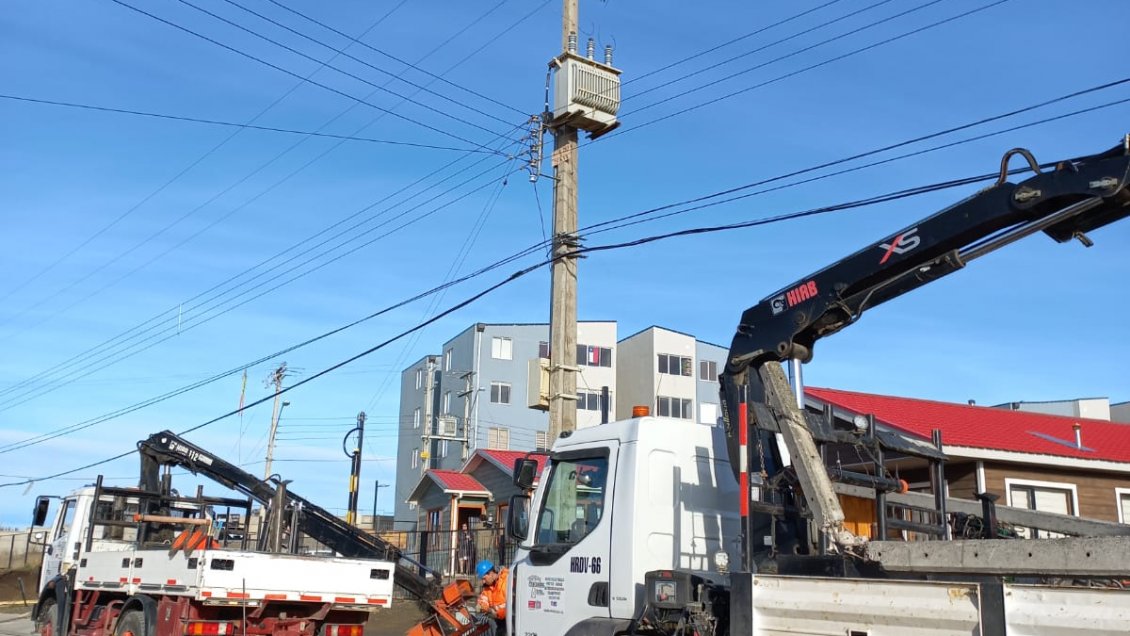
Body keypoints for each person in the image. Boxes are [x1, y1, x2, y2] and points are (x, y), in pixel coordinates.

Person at [476, 559, 508, 636]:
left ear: (491, 573)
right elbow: (483, 600)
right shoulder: (488, 586)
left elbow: (511, 605)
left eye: (484, 578)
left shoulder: (507, 580)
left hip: (509, 621)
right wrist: (483, 606)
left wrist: (495, 612)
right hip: (499, 620)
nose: (483, 582)